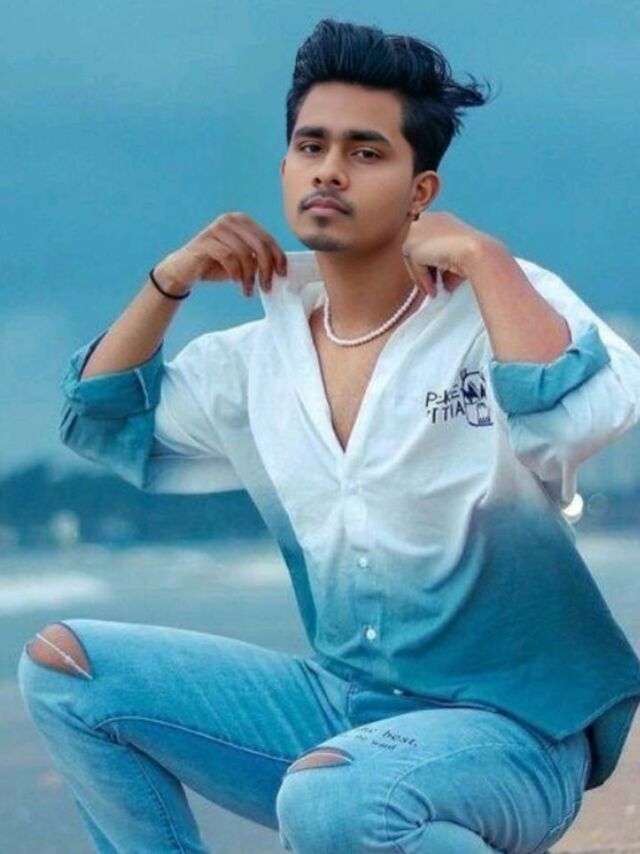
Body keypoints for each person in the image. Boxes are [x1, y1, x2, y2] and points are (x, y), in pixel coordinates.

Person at [17, 16, 640, 854]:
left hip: (514, 732)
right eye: (311, 146)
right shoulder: (254, 362)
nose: (331, 170)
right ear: (285, 168)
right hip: (345, 710)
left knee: (334, 801)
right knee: (66, 671)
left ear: (421, 191)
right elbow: (98, 418)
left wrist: (485, 257)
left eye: (366, 152)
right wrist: (168, 281)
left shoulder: (498, 302)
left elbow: (574, 417)